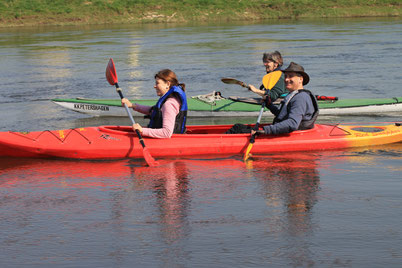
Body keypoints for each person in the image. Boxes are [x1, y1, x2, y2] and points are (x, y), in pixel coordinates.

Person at [226, 62, 318, 135]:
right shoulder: (293, 95)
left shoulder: (300, 98)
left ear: (300, 79)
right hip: (282, 131)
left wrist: (267, 130)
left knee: (236, 129)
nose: (286, 79)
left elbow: (292, 124)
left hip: (290, 135)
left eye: (290, 76)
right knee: (238, 127)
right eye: (286, 76)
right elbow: (282, 116)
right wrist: (269, 105)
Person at [121, 69, 187, 138]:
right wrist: (132, 105)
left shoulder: (169, 104)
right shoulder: (170, 99)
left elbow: (167, 133)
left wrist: (142, 130)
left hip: (168, 142)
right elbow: (153, 111)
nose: (154, 86)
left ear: (167, 84)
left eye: (157, 83)